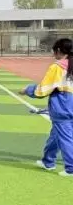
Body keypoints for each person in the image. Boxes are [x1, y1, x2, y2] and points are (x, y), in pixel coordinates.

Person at [23, 37, 73, 175]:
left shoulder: (57, 67)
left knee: (65, 137)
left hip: (63, 106)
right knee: (56, 134)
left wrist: (27, 90)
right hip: (69, 105)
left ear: (58, 51)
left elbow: (43, 89)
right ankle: (48, 161)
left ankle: (71, 168)